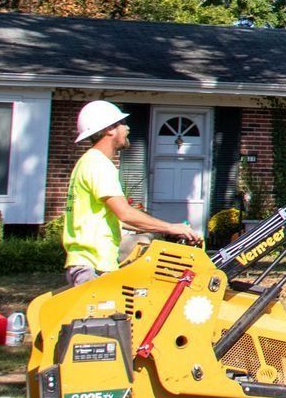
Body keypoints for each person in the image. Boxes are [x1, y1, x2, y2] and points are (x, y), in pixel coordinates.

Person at [62, 100, 199, 287]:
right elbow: (124, 212)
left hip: (89, 263)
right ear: (109, 129)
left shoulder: (88, 162)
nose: (127, 128)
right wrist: (171, 227)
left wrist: (159, 230)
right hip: (93, 266)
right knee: (101, 316)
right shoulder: (99, 164)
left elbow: (120, 219)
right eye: (122, 124)